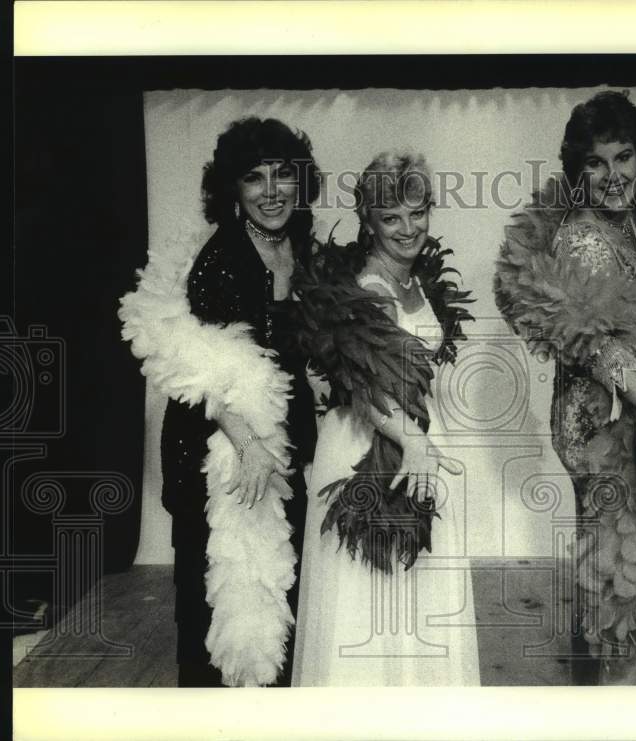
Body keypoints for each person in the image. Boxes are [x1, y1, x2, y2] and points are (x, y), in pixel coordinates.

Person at [494, 90, 636, 685]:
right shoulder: (585, 239)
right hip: (600, 429)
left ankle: (601, 699)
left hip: (623, 418)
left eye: (623, 159)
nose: (612, 176)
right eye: (595, 162)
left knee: (612, 576)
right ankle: (611, 705)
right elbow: (583, 334)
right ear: (576, 170)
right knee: (624, 583)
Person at [119, 116, 322, 687]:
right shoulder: (223, 259)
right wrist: (250, 443)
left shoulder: (300, 246)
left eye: (283, 175)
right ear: (232, 189)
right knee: (217, 590)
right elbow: (201, 368)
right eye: (254, 179)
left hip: (275, 437)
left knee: (277, 582)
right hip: (216, 443)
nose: (271, 191)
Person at [290, 151, 480, 686]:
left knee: (416, 586)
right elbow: (361, 384)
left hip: (418, 435)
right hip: (368, 443)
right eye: (390, 216)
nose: (407, 228)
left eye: (416, 213)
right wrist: (413, 441)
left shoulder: (416, 281)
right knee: (371, 588)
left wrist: (421, 440)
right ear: (367, 220)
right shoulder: (367, 288)